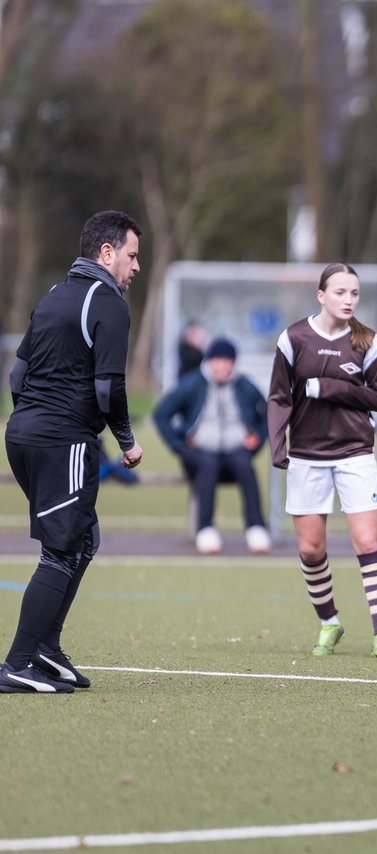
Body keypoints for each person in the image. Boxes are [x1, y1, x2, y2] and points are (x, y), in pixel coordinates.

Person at [2, 210, 144, 694]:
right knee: (63, 550)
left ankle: (45, 647)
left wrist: (35, 420)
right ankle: (17, 662)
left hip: (21, 434)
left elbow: (16, 378)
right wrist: (126, 441)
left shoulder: (53, 296)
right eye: (131, 255)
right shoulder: (109, 302)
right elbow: (109, 389)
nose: (135, 266)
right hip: (61, 440)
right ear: (106, 253)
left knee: (84, 539)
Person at [267, 263, 377, 658]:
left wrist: (333, 388)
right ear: (320, 295)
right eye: (340, 292)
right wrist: (277, 441)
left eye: (354, 293)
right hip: (307, 456)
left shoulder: (368, 341)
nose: (348, 300)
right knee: (310, 550)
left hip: (355, 453)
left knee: (367, 541)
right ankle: (329, 623)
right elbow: (278, 396)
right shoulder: (293, 338)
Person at [153, 336, 271, 555]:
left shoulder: (245, 385)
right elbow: (161, 414)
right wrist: (178, 444)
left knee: (245, 465)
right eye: (218, 360)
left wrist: (256, 440)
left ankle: (256, 527)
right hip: (198, 455)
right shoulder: (192, 383)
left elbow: (265, 415)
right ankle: (205, 529)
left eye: (228, 361)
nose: (223, 366)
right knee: (207, 464)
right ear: (209, 361)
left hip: (235, 453)